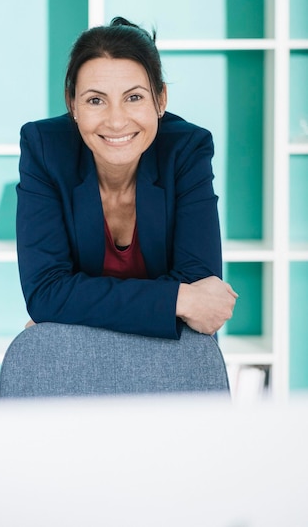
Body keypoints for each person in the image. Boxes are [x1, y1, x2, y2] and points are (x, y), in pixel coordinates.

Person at [16, 17, 238, 340]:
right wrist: (178, 299)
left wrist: (71, 306)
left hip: (171, 353)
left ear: (160, 100)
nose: (116, 121)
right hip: (80, 352)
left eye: (134, 97)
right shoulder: (44, 148)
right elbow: (45, 292)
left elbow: (201, 286)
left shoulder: (186, 150)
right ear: (72, 104)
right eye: (95, 100)